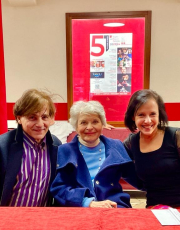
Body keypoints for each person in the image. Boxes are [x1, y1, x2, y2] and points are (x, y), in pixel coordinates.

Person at [50, 100, 140, 208]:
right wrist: (88, 203)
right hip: (78, 208)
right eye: (83, 122)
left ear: (103, 124)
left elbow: (136, 178)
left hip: (114, 206)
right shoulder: (64, 151)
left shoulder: (116, 146)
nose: (89, 127)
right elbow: (59, 188)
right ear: (76, 126)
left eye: (95, 122)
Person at [0, 89, 62, 206]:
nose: (39, 124)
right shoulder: (3, 146)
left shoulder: (56, 145)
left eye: (44, 117)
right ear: (19, 118)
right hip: (8, 220)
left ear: (52, 119)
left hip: (42, 219)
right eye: (32, 117)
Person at [123, 89, 180, 208]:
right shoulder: (131, 143)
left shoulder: (176, 136)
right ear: (133, 116)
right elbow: (113, 164)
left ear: (159, 114)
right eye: (141, 115)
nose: (147, 121)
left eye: (152, 114)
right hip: (154, 209)